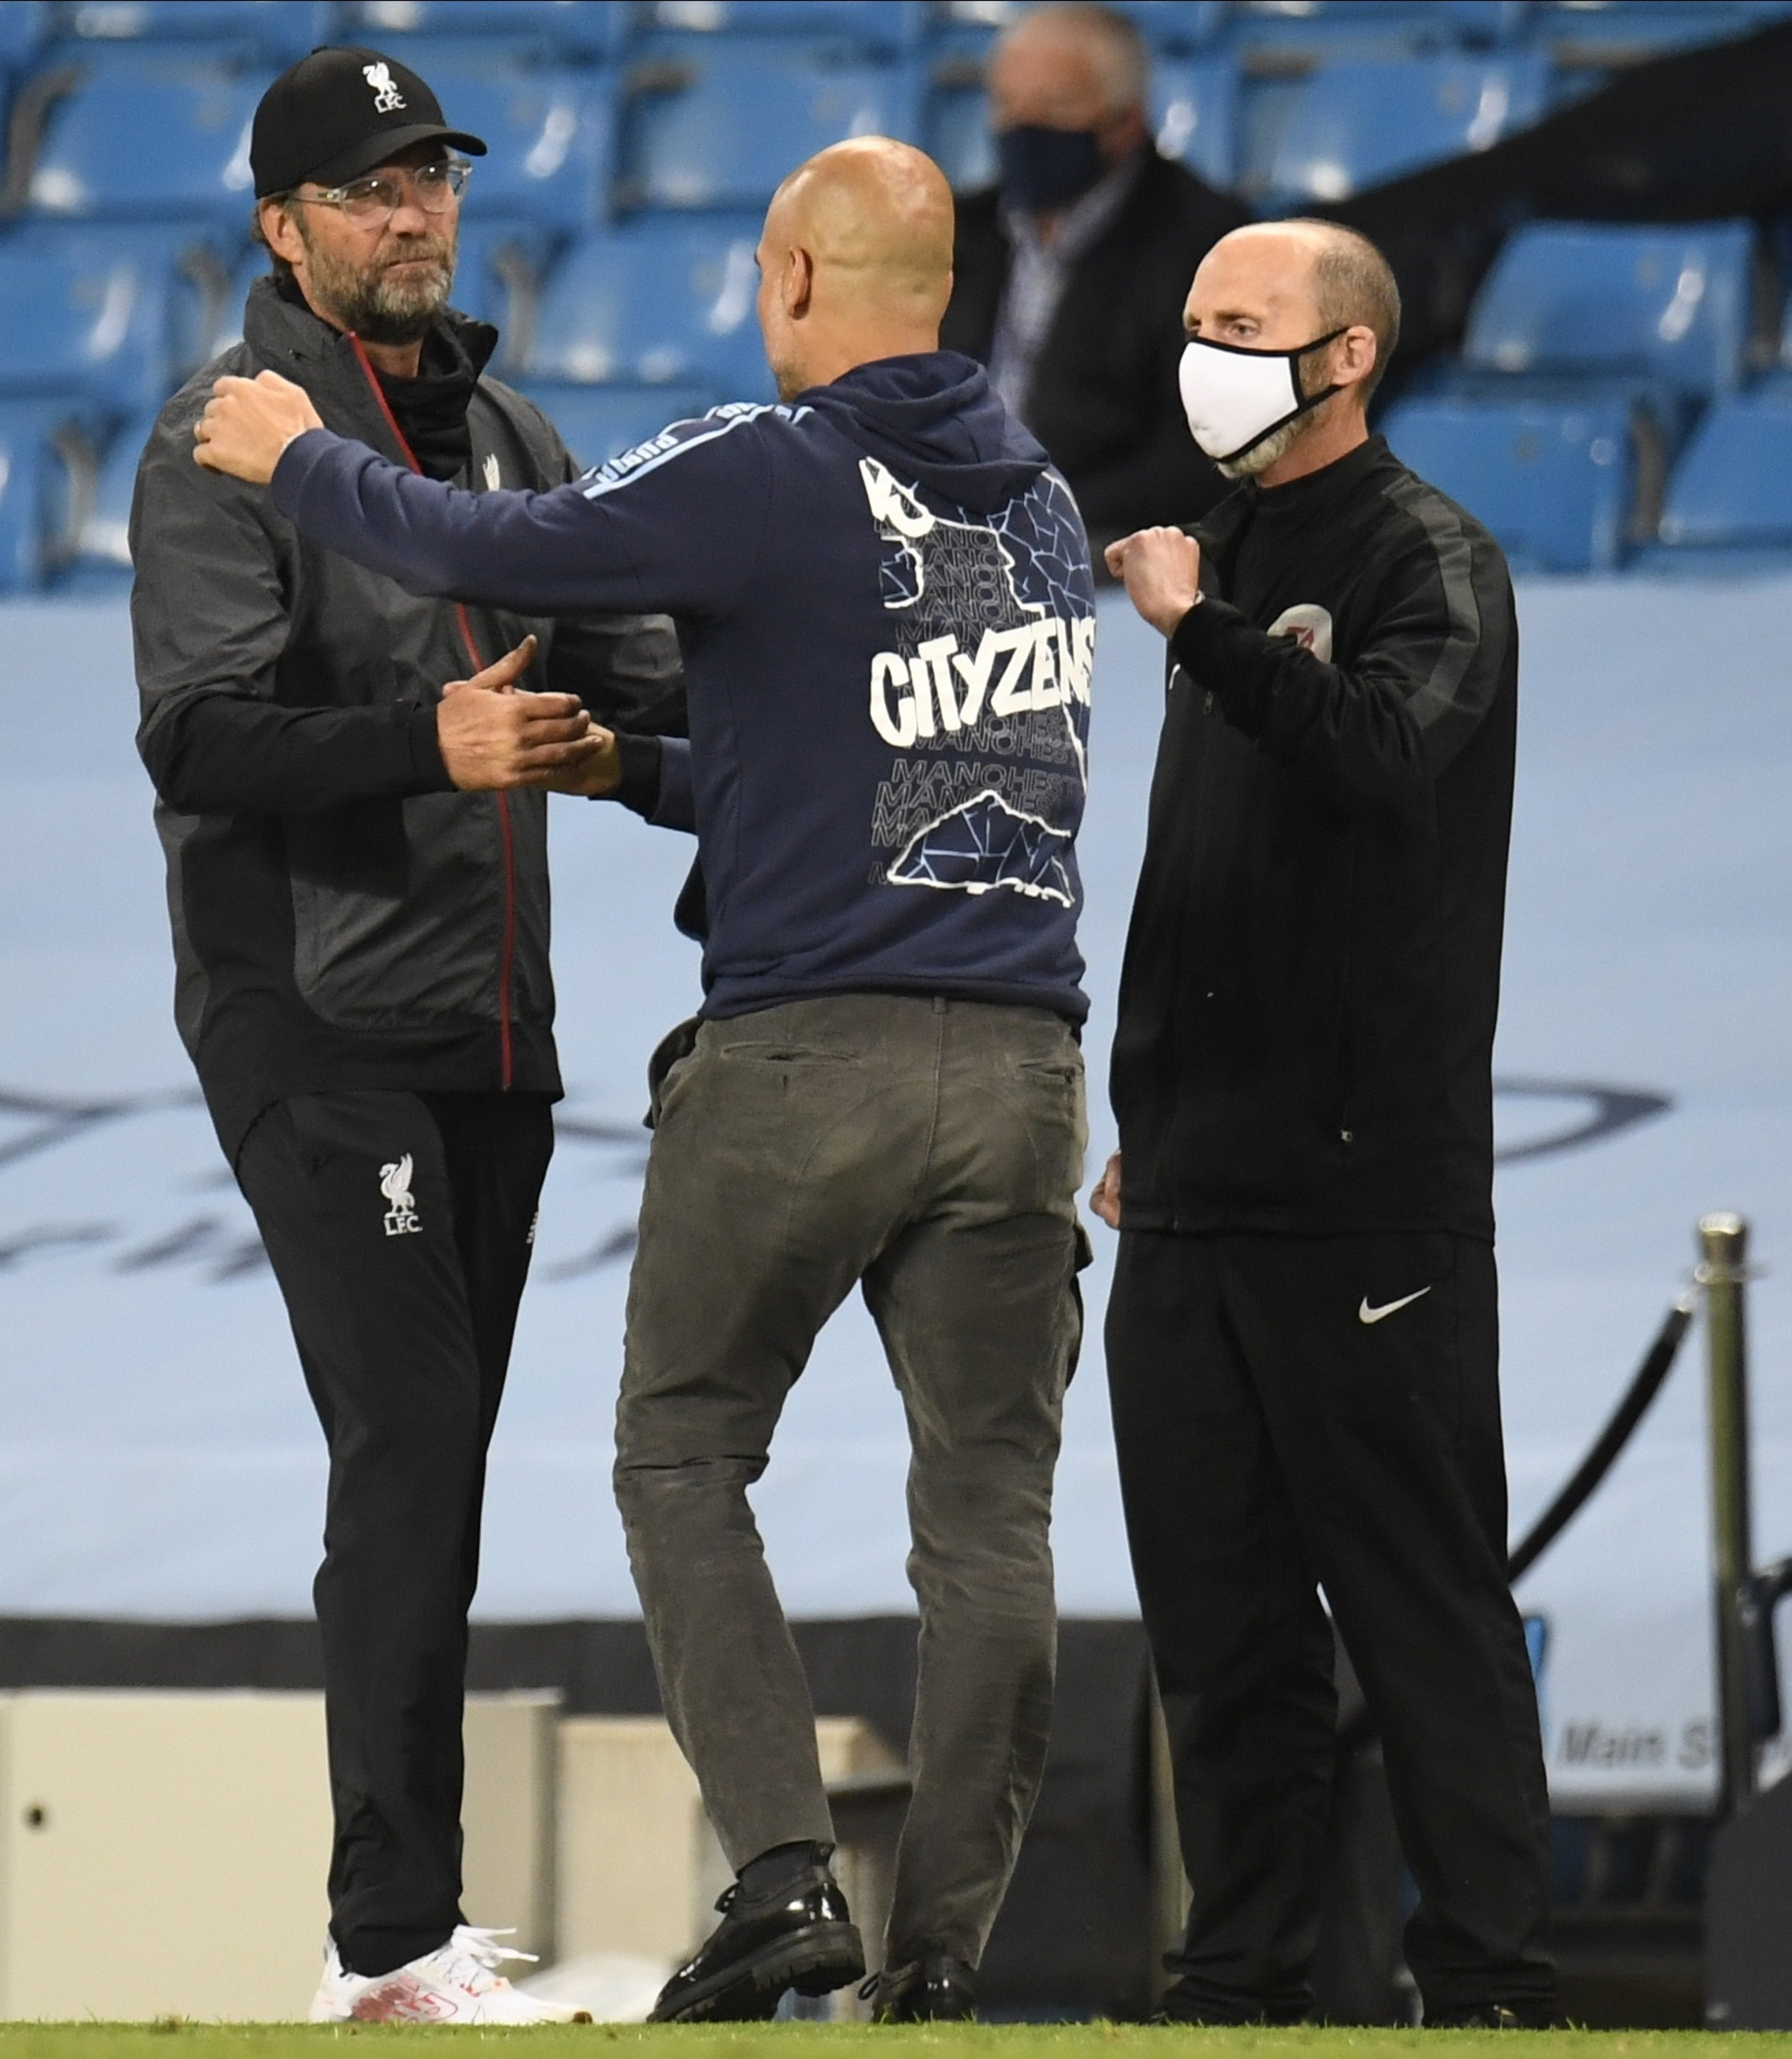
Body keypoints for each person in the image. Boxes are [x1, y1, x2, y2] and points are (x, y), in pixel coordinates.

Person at [192, 138, 1098, 2026]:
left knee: (684, 1451)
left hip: (808, 1057)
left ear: (793, 278)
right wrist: (633, 772)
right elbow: (885, 777)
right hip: (1022, 1062)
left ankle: (783, 1884)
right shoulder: (1040, 506)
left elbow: (499, 550)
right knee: (992, 1513)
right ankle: (939, 1958)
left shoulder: (766, 467)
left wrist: (301, 463)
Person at [129, 45, 679, 2027]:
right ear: (279, 229)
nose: (416, 213)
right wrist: (424, 739)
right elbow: (193, 732)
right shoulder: (224, 431)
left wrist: (750, 761)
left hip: (494, 1023)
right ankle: (385, 1941)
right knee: (412, 1434)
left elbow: (631, 674)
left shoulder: (512, 433)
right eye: (371, 188)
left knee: (433, 1463)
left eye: (432, 177)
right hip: (317, 1013)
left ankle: (406, 1930)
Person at [1095, 219, 1556, 2027]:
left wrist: (1201, 631)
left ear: (1345, 356)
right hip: (1197, 1194)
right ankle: (1243, 1984)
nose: (1200, 351)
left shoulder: (1426, 554)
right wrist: (1158, 1108)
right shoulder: (1215, 552)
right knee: (1218, 1638)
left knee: (1424, 1613)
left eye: (1242, 323)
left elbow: (1381, 755)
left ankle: (1496, 1982)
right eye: (1194, 317)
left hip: (1371, 1197)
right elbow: (1211, 871)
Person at [941, 1, 1252, 551]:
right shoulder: (962, 230)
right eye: (1006, 105)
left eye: (1054, 107)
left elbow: (1201, 457)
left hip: (1102, 543)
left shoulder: (1206, 246)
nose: (1022, 127)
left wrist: (1044, 510)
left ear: (1126, 120)